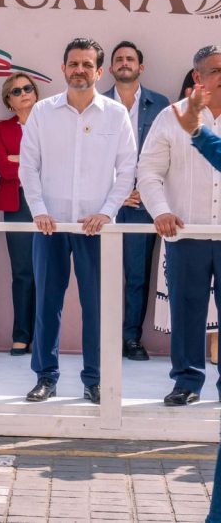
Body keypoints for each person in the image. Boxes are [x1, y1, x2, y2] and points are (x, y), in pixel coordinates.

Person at [19, 37, 137, 405]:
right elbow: (28, 166)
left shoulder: (115, 114)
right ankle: (45, 376)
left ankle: (95, 379)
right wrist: (39, 210)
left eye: (87, 64)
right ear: (63, 68)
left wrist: (107, 212)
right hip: (50, 226)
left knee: (97, 306)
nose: (79, 70)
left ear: (100, 72)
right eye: (74, 64)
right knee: (47, 304)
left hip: (94, 228)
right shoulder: (43, 112)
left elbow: (127, 168)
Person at [139, 46, 221, 406]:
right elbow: (148, 171)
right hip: (185, 234)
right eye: (217, 70)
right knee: (186, 310)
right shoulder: (171, 117)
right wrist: (160, 211)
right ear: (198, 77)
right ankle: (187, 382)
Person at [102, 41, 171, 361]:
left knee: (137, 275)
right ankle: (103, 337)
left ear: (140, 67)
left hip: (144, 205)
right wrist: (114, 190)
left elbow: (168, 152)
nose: (124, 63)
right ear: (110, 68)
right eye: (119, 59)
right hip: (104, 204)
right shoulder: (98, 104)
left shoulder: (161, 105)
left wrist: (146, 189)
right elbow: (90, 156)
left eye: (130, 59)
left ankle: (130, 338)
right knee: (99, 274)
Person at [0, 73, 41, 355]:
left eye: (28, 88)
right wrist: (30, 163)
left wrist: (18, 159)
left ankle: (44, 336)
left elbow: (55, 165)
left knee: (47, 271)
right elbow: (4, 168)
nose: (24, 93)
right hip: (17, 204)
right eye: (16, 91)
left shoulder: (50, 124)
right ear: (8, 100)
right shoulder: (2, 129)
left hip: (47, 203)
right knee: (22, 271)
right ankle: (21, 335)